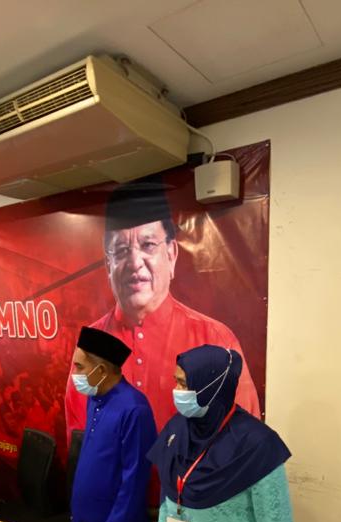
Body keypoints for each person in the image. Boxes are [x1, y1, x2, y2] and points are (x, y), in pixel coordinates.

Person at [65, 177, 261, 437]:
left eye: (148, 245)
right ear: (108, 265)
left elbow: (243, 436)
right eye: (121, 250)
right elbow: (80, 433)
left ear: (171, 254)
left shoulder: (214, 338)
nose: (135, 262)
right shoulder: (92, 344)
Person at [148, 345, 295, 522]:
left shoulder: (257, 445)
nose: (177, 391)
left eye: (184, 384)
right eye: (177, 381)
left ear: (212, 387)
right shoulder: (177, 430)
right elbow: (169, 497)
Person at [69, 326, 157, 522]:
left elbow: (136, 476)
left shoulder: (134, 409)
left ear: (101, 370)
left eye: (79, 367)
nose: (75, 374)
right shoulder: (94, 398)